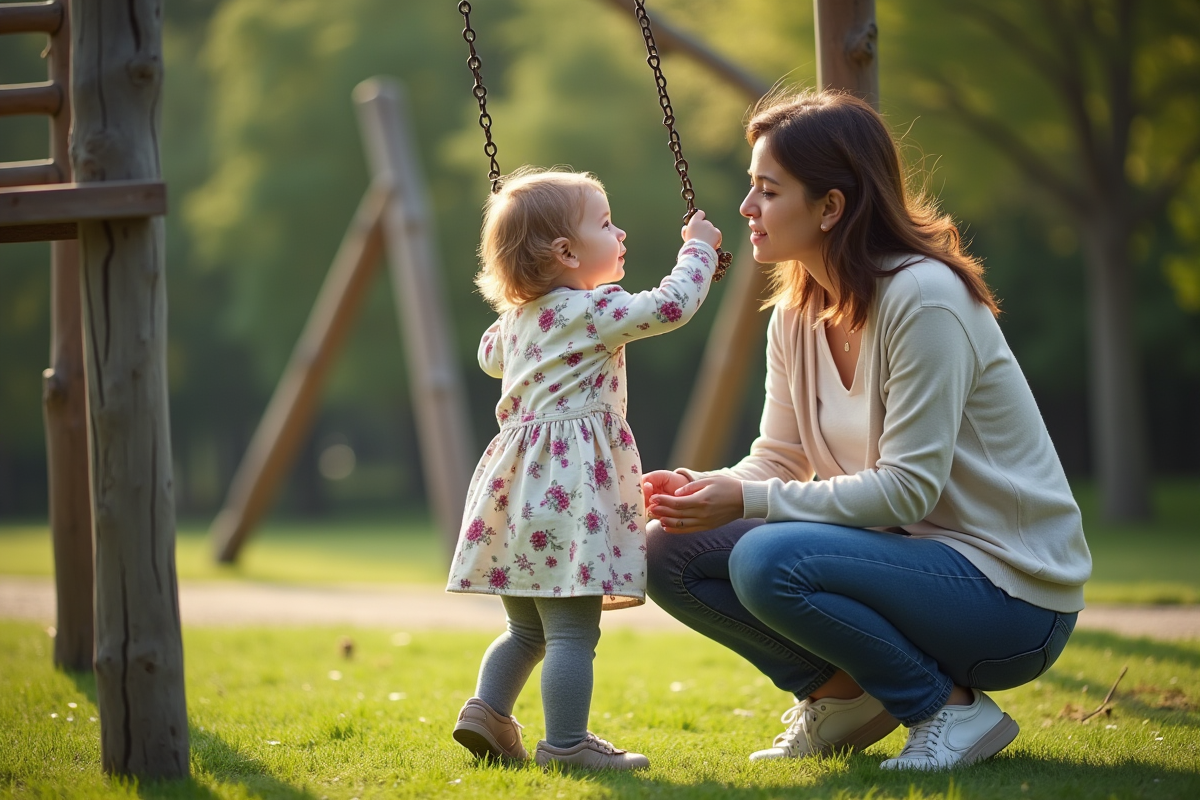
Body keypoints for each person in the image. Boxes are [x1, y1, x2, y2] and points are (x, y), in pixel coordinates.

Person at [641, 90, 1091, 771]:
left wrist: (746, 502)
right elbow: (780, 460)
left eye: (768, 190)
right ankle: (844, 696)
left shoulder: (925, 298)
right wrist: (709, 490)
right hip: (906, 568)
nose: (746, 208)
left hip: (1011, 599)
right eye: (751, 187)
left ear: (830, 206)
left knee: (768, 560)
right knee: (667, 553)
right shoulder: (794, 314)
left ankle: (951, 711)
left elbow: (908, 491)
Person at [447, 167, 723, 770]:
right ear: (566, 252)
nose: (619, 231)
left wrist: (520, 290)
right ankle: (566, 746)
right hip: (569, 488)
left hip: (515, 490)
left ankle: (487, 714)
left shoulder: (517, 324)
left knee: (528, 631)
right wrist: (698, 250)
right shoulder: (593, 309)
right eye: (605, 223)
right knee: (573, 631)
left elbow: (488, 355)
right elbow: (671, 305)